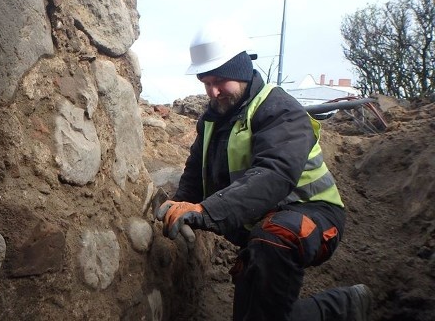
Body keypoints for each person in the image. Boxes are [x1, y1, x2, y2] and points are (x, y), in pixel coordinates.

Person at [156, 20, 372, 321]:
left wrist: (206, 211)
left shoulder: (280, 109)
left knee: (275, 235)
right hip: (259, 231)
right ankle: (346, 306)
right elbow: (195, 171)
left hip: (314, 216)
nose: (213, 91)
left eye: (220, 80)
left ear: (242, 70)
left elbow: (275, 174)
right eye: (206, 82)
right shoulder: (213, 119)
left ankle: (340, 308)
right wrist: (181, 203)